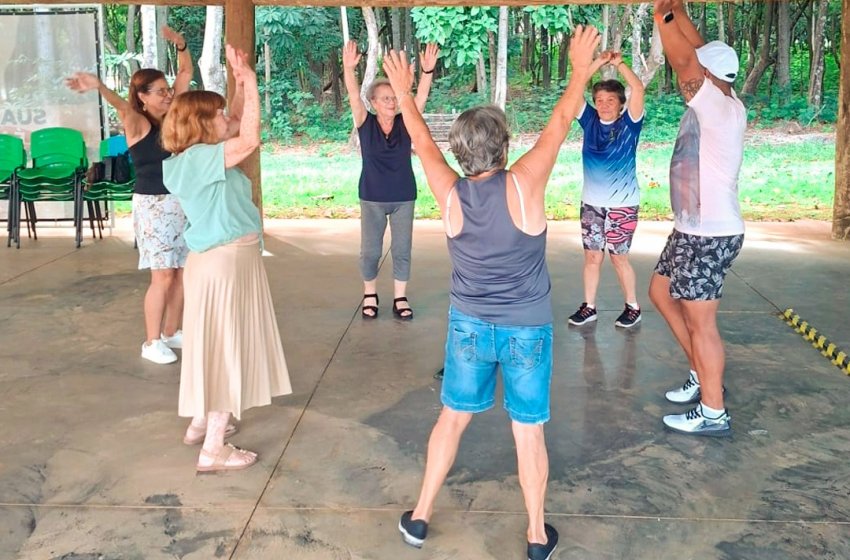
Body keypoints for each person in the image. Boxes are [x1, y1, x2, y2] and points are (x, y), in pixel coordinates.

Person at [382, 26, 601, 559]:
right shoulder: (525, 182)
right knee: (528, 433)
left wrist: (408, 94)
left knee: (451, 417)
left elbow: (420, 142)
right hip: (527, 327)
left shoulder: (449, 189)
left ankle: (419, 517)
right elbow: (560, 120)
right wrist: (578, 71)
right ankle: (534, 536)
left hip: (470, 326)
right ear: (504, 145)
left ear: (460, 152)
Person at [161, 45, 292, 471]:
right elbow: (250, 137)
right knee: (226, 352)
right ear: (201, 124)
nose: (226, 120)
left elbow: (237, 123)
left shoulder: (194, 158)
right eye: (217, 115)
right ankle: (213, 448)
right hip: (224, 265)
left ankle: (201, 423)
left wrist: (238, 82)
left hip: (224, 263)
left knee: (215, 347)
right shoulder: (200, 159)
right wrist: (251, 84)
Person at [66, 26, 192, 365]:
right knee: (162, 274)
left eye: (168, 90)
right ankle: (151, 342)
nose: (168, 95)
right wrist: (100, 86)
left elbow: (185, 74)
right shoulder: (137, 123)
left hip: (179, 202)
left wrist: (181, 44)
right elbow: (124, 107)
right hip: (153, 204)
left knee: (180, 271)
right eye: (160, 91)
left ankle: (171, 332)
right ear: (144, 97)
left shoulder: (173, 114)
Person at [650, 0, 746, 437]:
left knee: (701, 323)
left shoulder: (713, 106)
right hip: (692, 228)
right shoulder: (727, 96)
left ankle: (713, 410)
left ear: (707, 77)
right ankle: (700, 374)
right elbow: (701, 50)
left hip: (709, 233)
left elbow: (684, 58)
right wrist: (680, 12)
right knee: (660, 291)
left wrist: (661, 19)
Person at [342, 40, 438, 320]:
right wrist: (349, 69)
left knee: (402, 250)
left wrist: (427, 72)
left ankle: (400, 297)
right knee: (370, 251)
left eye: (394, 97)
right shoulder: (364, 121)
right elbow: (351, 94)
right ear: (372, 102)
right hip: (371, 196)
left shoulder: (406, 121)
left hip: (403, 195)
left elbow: (419, 98)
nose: (392, 102)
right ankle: (369, 293)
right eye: (385, 98)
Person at [568, 51, 646, 329]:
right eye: (599, 100)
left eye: (610, 100)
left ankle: (632, 307)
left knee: (618, 258)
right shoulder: (588, 121)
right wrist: (596, 64)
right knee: (592, 256)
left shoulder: (630, 124)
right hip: (591, 204)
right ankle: (589, 307)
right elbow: (575, 88)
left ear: (621, 104)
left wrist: (619, 63)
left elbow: (637, 88)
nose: (603, 105)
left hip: (623, 205)